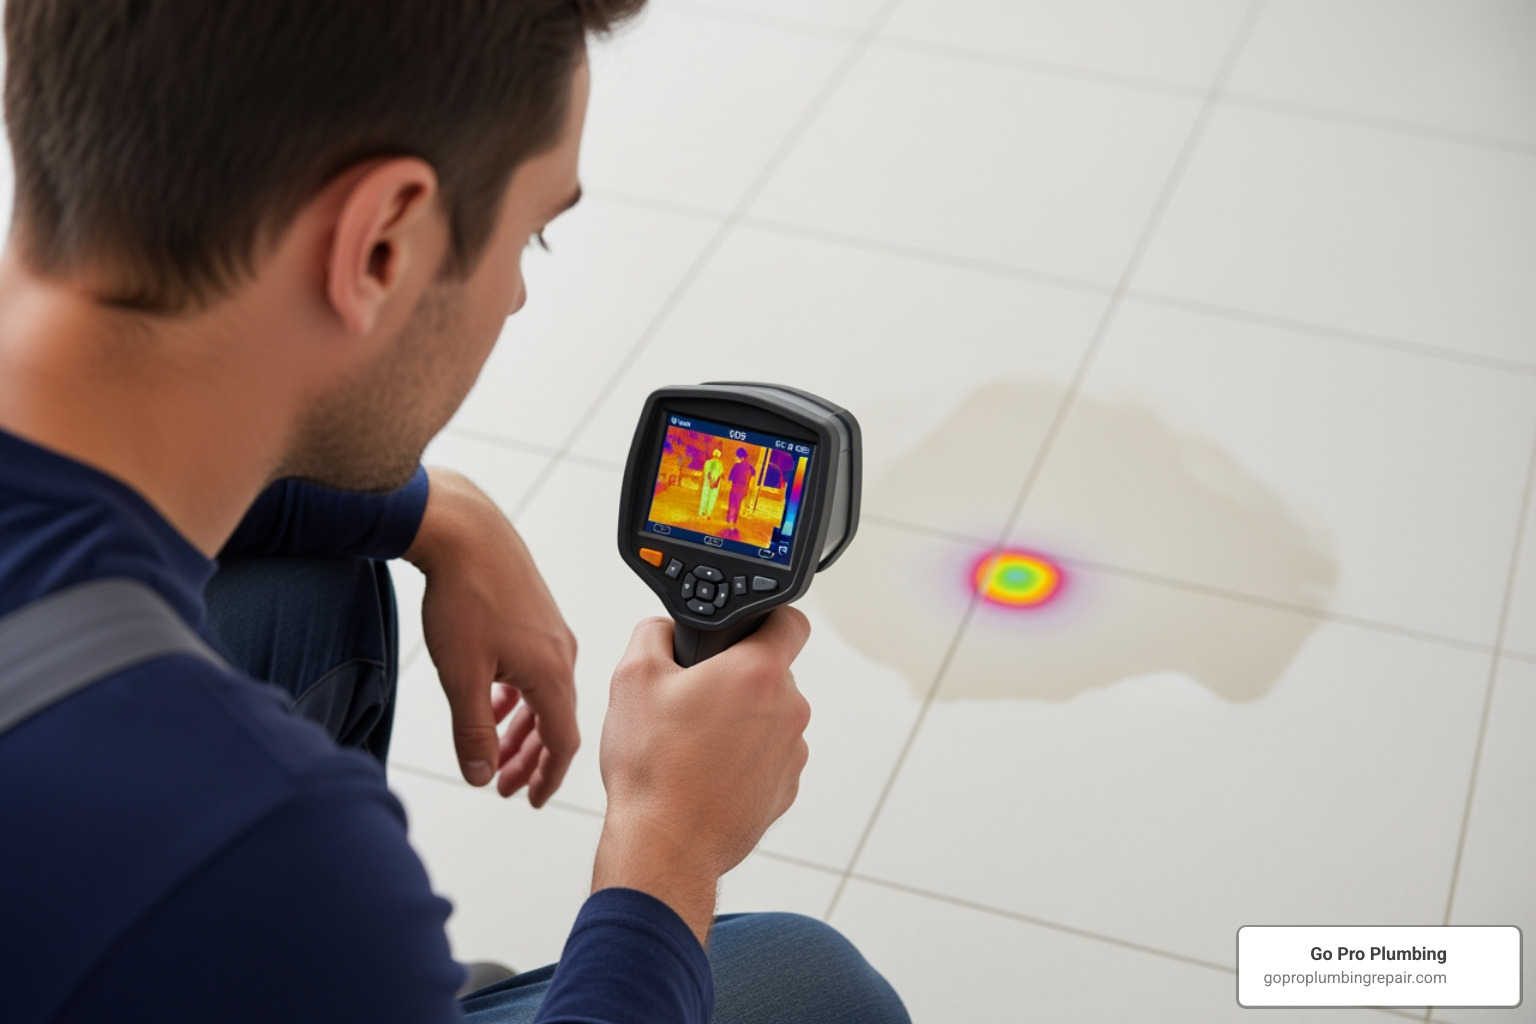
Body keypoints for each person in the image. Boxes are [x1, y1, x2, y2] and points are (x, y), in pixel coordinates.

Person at [0, 3, 910, 1023]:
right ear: (382, 241)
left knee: (314, 571)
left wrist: (435, 511)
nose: (517, 293)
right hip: (227, 907)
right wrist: (666, 849)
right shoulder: (278, 842)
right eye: (534, 236)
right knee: (818, 991)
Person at [726, 447, 756, 525]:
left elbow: (730, 477)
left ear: (741, 458)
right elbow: (753, 474)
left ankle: (730, 519)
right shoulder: (750, 467)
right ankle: (734, 520)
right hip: (744, 490)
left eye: (737, 456)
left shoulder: (736, 466)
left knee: (732, 503)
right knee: (738, 504)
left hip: (736, 487)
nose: (736, 458)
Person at [698, 448, 725, 519]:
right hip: (716, 484)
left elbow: (706, 473)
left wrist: (710, 481)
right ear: (719, 456)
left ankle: (702, 512)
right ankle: (708, 514)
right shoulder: (720, 464)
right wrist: (715, 483)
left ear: (713, 454)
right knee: (712, 498)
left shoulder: (708, 462)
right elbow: (721, 475)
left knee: (705, 497)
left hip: (707, 483)